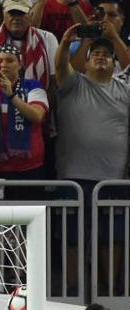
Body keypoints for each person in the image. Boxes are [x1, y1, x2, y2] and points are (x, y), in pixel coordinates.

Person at [55, 31, 130, 203]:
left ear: (114, 64)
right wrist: (65, 43)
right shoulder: (73, 84)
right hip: (73, 175)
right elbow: (60, 66)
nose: (101, 56)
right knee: (75, 222)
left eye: (107, 55)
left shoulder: (125, 90)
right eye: (95, 54)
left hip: (114, 177)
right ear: (85, 64)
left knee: (112, 223)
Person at [0, 44, 49, 187]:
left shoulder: (32, 85)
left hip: (27, 169)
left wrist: (12, 96)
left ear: (20, 64)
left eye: (9, 60)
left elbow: (37, 116)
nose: (4, 64)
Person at [0, 0, 57, 89]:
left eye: (21, 13)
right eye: (12, 13)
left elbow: (54, 80)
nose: (16, 18)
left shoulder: (48, 39)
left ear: (31, 15)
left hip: (39, 94)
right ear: (3, 15)